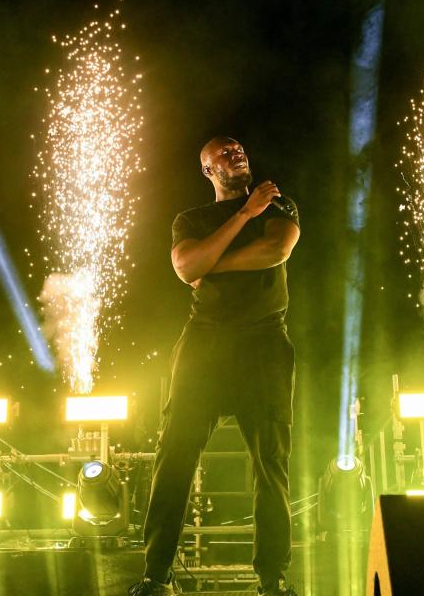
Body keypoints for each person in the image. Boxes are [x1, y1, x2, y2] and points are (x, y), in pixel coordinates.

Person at [128, 137, 300, 596]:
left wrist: (212, 264)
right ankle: (155, 576)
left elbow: (275, 252)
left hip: (264, 344)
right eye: (224, 152)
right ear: (207, 170)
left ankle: (271, 580)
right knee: (174, 456)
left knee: (271, 462)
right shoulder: (191, 219)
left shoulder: (279, 204)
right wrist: (245, 215)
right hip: (203, 345)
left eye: (241, 148)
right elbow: (186, 266)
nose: (237, 153)